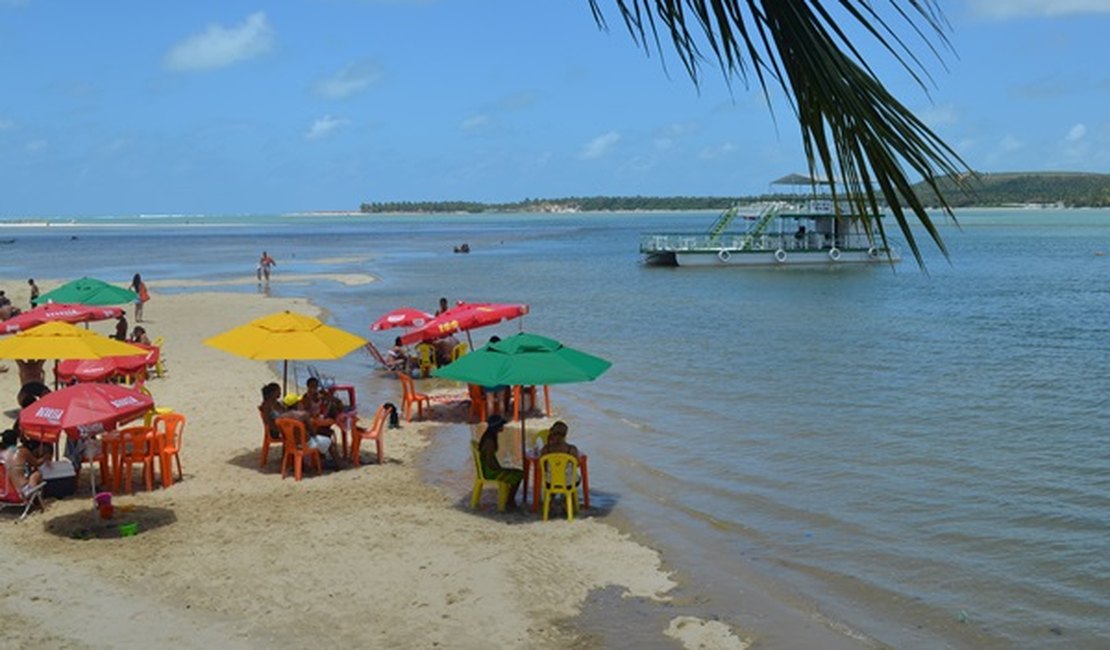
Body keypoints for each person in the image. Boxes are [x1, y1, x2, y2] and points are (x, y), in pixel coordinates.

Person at [260, 382, 341, 469]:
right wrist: (281, 430)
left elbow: (284, 413)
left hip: (286, 428)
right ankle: (333, 463)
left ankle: (318, 458)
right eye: (278, 390)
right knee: (319, 435)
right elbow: (269, 423)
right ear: (272, 393)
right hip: (280, 431)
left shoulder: (277, 404)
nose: (280, 392)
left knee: (315, 431)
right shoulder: (267, 406)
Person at [477, 414, 523, 510]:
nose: (503, 427)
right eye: (501, 425)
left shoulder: (489, 436)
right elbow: (490, 460)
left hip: (489, 468)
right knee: (519, 474)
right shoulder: (490, 441)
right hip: (490, 472)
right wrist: (499, 470)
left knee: (516, 472)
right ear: (496, 427)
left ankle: (509, 499)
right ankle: (510, 500)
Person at [1, 429, 45, 504]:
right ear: (16, 440)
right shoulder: (22, 451)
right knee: (37, 474)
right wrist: (45, 457)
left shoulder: (1, 454)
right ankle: (38, 502)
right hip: (21, 493)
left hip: (3, 493)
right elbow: (37, 463)